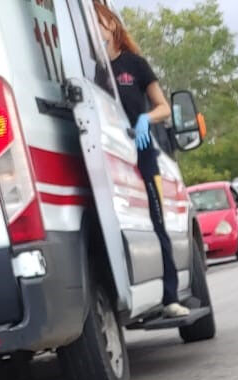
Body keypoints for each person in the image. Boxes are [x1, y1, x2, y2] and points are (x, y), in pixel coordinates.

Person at [93, 1, 181, 315]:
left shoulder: (135, 64)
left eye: (100, 23)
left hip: (144, 154)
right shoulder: (96, 71)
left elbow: (163, 107)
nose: (96, 30)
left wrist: (147, 119)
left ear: (112, 26)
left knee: (158, 221)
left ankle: (171, 297)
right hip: (117, 156)